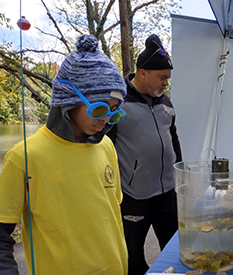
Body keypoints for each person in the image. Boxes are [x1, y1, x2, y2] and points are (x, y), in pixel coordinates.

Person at [0, 34, 128, 275]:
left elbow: (111, 214)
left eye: (113, 111)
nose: (105, 118)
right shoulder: (25, 157)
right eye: (99, 107)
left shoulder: (106, 146)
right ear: (69, 100)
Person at [107, 34, 182, 275]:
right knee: (133, 259)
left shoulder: (166, 102)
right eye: (162, 77)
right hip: (133, 195)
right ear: (142, 73)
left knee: (175, 249)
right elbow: (105, 148)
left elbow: (173, 138)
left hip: (168, 193)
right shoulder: (118, 102)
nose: (165, 83)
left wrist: (181, 173)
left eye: (167, 78)